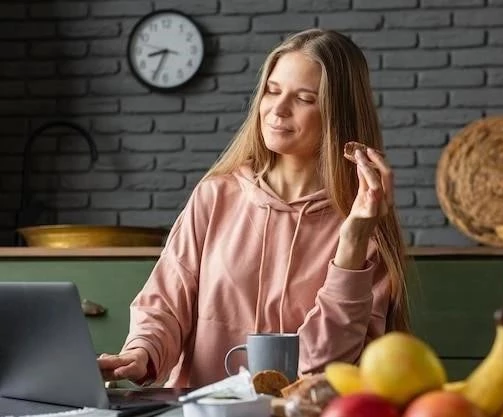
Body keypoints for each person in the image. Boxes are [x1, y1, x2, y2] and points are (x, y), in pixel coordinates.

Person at [98, 28, 410, 388]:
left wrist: (353, 241)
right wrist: (141, 353)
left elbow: (327, 366)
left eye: (305, 98)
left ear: (337, 113)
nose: (278, 109)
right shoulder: (215, 196)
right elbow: (165, 304)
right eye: (272, 91)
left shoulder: (363, 224)